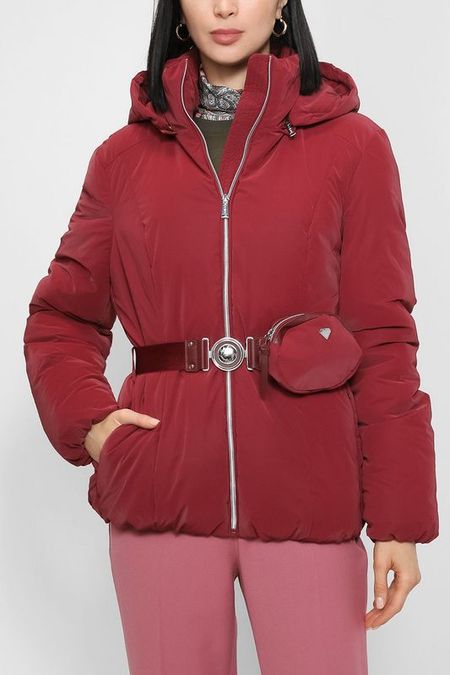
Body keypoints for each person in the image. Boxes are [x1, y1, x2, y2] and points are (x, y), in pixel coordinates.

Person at [23, 1, 439, 673]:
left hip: (309, 490)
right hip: (161, 490)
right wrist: (94, 427)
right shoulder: (122, 158)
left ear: (280, 5)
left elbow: (385, 337)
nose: (224, 5)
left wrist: (399, 514)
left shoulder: (355, 146)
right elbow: (61, 319)